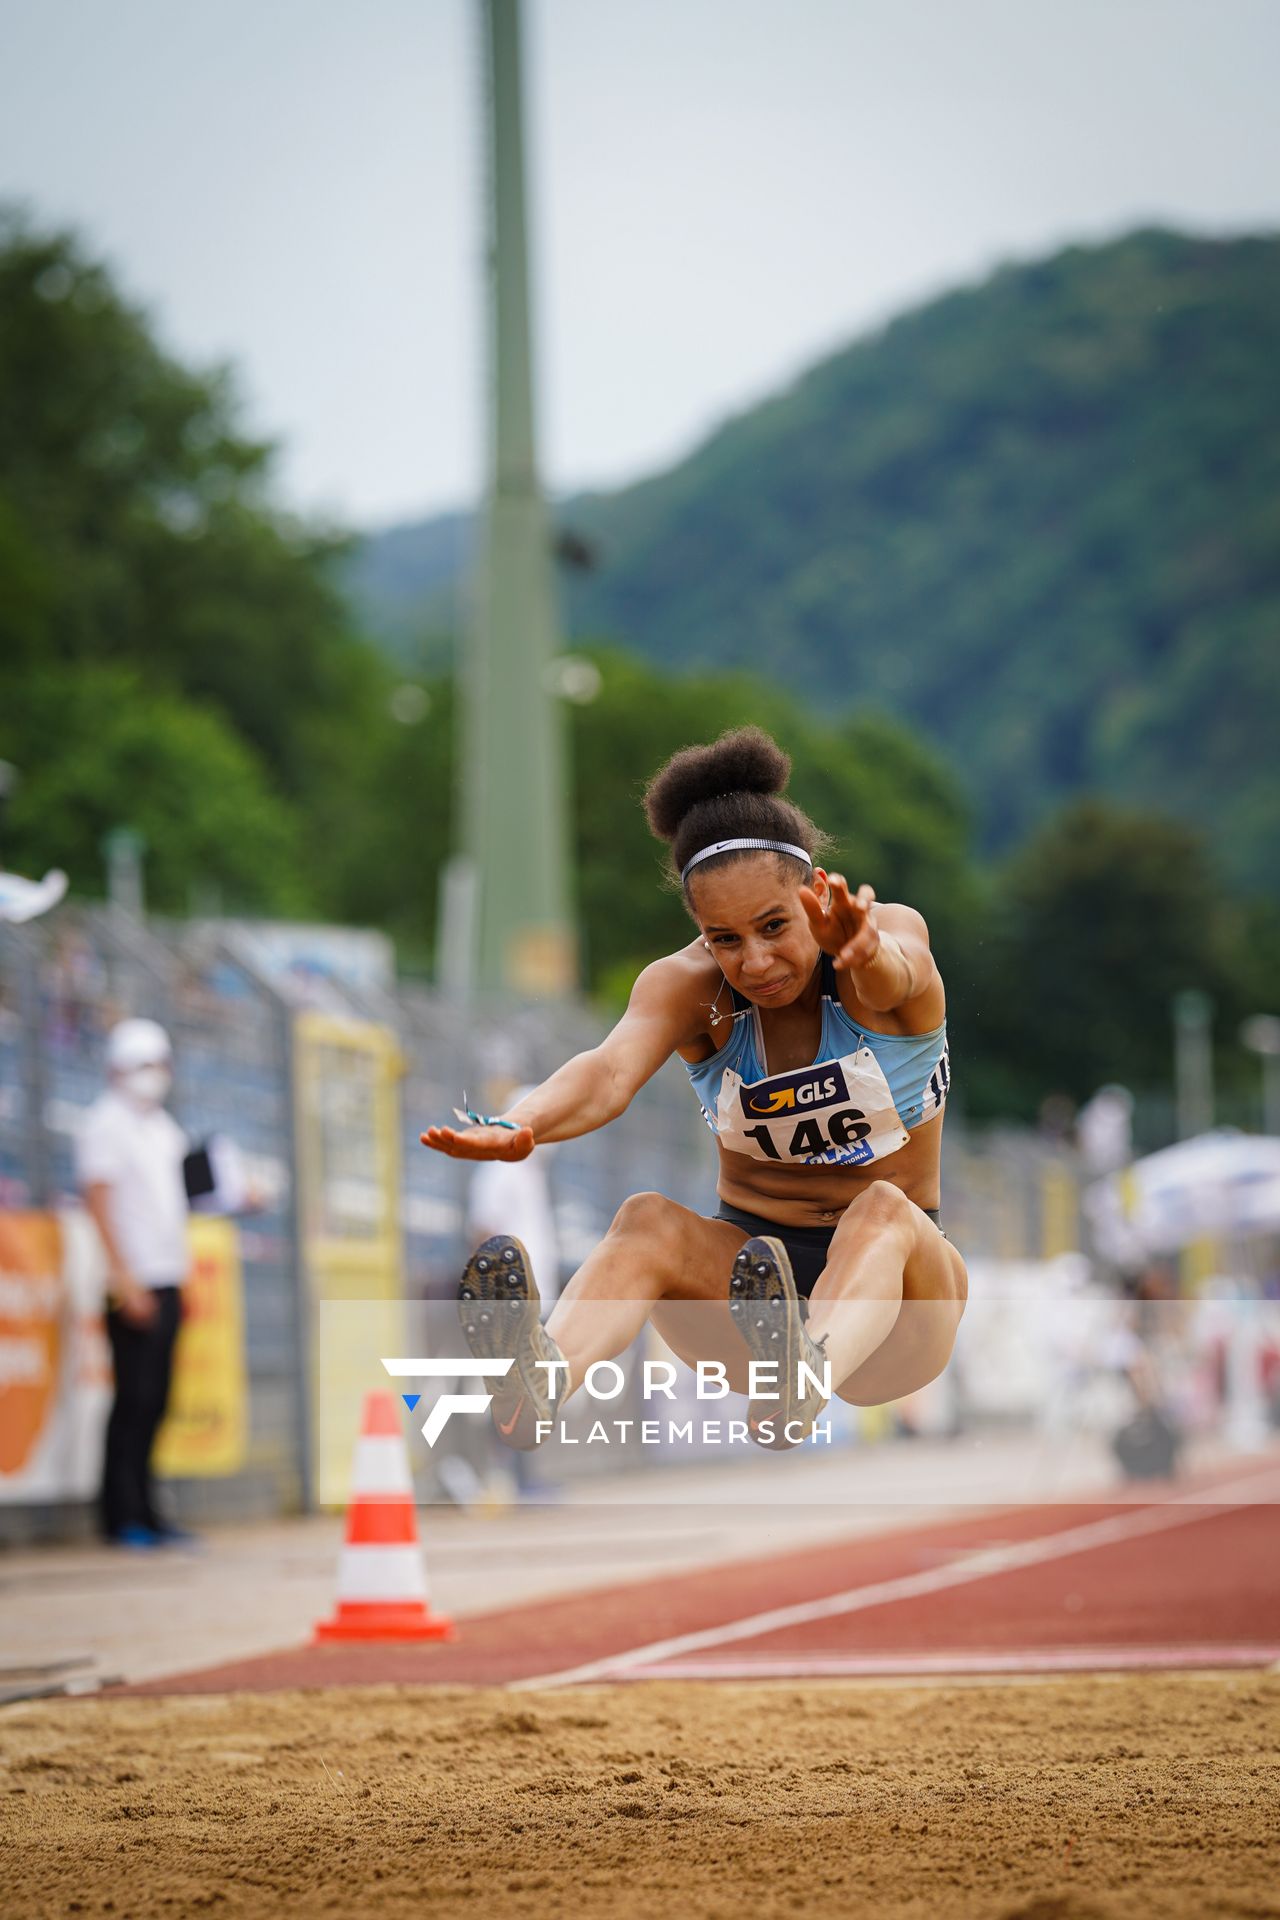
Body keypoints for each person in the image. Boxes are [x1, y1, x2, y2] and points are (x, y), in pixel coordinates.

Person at [422, 727, 968, 1451]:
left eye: (775, 926)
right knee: (645, 1220)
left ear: (813, 897)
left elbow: (901, 972)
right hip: (751, 1301)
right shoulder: (690, 991)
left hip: (897, 1310)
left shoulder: (880, 945)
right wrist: (524, 1121)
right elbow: (609, 1069)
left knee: (883, 1210)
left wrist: (863, 950)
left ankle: (805, 1378)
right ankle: (543, 1380)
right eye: (725, 939)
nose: (756, 961)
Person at [77, 1018, 193, 1546]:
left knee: (157, 1400)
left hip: (166, 1276)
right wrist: (124, 1279)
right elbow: (99, 1202)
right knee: (133, 1398)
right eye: (146, 1065)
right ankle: (120, 1515)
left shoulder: (162, 1128)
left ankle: (147, 1510)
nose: (156, 1075)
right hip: (133, 1280)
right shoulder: (106, 1124)